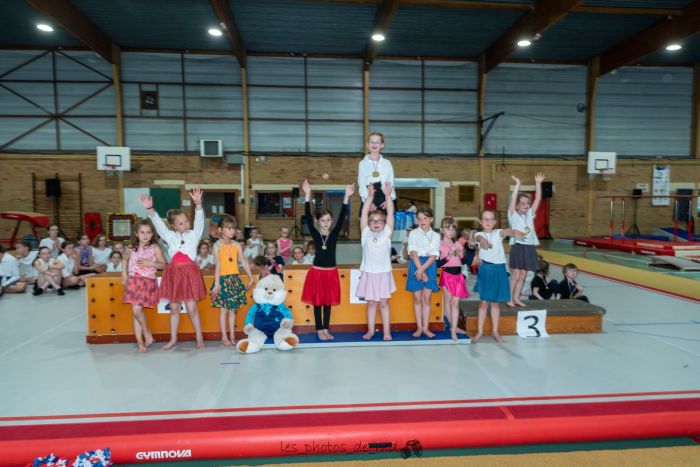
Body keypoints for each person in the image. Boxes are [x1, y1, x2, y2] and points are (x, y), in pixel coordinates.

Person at [139, 188, 208, 351]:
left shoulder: (194, 235)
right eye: (181, 223)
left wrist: (198, 205)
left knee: (191, 308)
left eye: (186, 221)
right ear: (174, 226)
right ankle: (173, 339)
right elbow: (159, 225)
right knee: (175, 308)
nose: (186, 224)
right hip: (174, 274)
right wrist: (150, 210)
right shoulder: (170, 236)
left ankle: (199, 337)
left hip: (189, 273)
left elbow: (199, 222)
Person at [300, 179, 354, 341]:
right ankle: (319, 330)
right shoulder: (316, 234)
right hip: (317, 273)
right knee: (317, 304)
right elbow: (308, 217)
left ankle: (326, 329)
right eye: (322, 220)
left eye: (328, 220)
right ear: (318, 222)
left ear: (331, 222)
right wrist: (307, 195)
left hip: (330, 273)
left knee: (327, 304)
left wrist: (346, 197)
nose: (326, 222)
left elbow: (342, 215)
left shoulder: (334, 233)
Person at [473, 210, 525, 343]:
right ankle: (479, 331)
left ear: (495, 222)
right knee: (484, 302)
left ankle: (495, 331)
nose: (488, 222)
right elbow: (479, 239)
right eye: (485, 219)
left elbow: (505, 232)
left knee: (495, 304)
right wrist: (484, 241)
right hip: (486, 269)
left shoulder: (497, 233)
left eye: (491, 219)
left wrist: (513, 231)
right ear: (480, 221)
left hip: (499, 269)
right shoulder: (479, 234)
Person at [357, 182, 396, 341]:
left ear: (384, 222)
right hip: (369, 273)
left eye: (380, 220)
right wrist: (370, 196)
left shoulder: (387, 233)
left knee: (384, 304)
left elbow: (391, 213)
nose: (376, 223)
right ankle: (371, 331)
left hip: (383, 273)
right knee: (371, 304)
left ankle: (387, 332)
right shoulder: (365, 234)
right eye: (373, 220)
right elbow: (365, 213)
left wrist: (387, 196)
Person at [121, 219, 166, 353]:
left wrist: (151, 264)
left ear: (152, 234)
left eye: (148, 232)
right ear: (136, 233)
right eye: (142, 232)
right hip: (133, 281)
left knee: (137, 311)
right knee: (136, 312)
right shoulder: (130, 248)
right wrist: (124, 273)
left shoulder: (155, 248)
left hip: (146, 281)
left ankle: (146, 333)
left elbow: (163, 265)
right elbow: (124, 259)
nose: (145, 235)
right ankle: (141, 341)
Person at [210, 215, 254, 347]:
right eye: (228, 228)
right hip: (223, 280)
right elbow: (218, 266)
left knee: (233, 310)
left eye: (233, 228)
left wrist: (251, 277)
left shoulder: (236, 245)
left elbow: (244, 261)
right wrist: (217, 284)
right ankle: (224, 337)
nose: (232, 231)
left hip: (234, 279)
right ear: (220, 230)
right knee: (224, 309)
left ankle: (233, 335)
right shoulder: (217, 246)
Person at [507, 173, 545, 307]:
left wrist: (538, 184)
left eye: (527, 203)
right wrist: (517, 184)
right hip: (518, 246)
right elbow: (513, 198)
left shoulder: (529, 215)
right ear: (517, 205)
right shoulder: (513, 215)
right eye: (522, 203)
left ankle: (517, 298)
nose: (526, 205)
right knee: (516, 276)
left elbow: (538, 199)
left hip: (529, 247)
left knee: (523, 276)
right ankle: (509, 298)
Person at [406, 206, 440, 338]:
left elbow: (433, 256)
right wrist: (420, 270)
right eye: (420, 219)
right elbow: (413, 253)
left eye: (425, 218)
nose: (422, 221)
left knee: (427, 299)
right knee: (417, 298)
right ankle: (419, 327)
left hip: (429, 266)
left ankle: (426, 328)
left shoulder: (436, 236)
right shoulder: (413, 234)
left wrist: (423, 270)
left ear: (431, 219)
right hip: (416, 264)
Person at [437, 217, 469, 341]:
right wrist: (448, 257)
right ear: (441, 230)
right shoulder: (439, 244)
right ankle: (452, 327)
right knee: (449, 301)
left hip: (458, 276)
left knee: (455, 303)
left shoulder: (457, 244)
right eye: (447, 228)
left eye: (453, 228)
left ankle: (454, 327)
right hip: (447, 275)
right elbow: (437, 263)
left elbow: (463, 260)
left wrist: (462, 255)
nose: (451, 231)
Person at [357, 132, 396, 214]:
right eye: (372, 142)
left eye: (377, 142)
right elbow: (362, 184)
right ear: (368, 144)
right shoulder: (363, 164)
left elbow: (391, 182)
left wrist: (388, 199)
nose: (374, 144)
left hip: (385, 198)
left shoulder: (387, 163)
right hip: (369, 197)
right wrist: (368, 202)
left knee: (387, 224)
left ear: (382, 145)